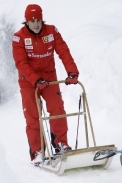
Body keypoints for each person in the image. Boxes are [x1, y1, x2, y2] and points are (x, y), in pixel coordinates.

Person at [12, 4, 79, 166]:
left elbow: (63, 51)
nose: (36, 24)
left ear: (42, 20)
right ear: (26, 22)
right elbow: (21, 62)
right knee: (33, 116)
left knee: (57, 110)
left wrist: (72, 72)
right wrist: (35, 79)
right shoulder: (19, 38)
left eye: (38, 20)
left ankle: (60, 144)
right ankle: (37, 150)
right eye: (32, 21)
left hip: (49, 78)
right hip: (28, 82)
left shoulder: (51, 31)